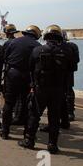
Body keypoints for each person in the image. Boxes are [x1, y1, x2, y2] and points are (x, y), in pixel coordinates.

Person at [18, 25, 72, 154]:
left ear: (46, 36)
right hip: (58, 89)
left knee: (34, 114)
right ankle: (52, 144)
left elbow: (30, 67)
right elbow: (70, 70)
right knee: (54, 117)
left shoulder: (38, 50)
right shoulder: (67, 51)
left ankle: (29, 140)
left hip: (40, 88)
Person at [0, 25, 42, 139]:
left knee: (9, 103)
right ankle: (26, 133)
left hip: (12, 74)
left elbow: (5, 58)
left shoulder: (12, 42)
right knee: (26, 103)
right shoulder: (37, 46)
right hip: (27, 76)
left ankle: (5, 131)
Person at [62, 31, 80, 122]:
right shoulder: (73, 46)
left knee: (63, 92)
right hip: (69, 72)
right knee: (69, 92)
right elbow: (76, 60)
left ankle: (67, 112)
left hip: (62, 73)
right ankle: (70, 112)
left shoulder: (59, 46)